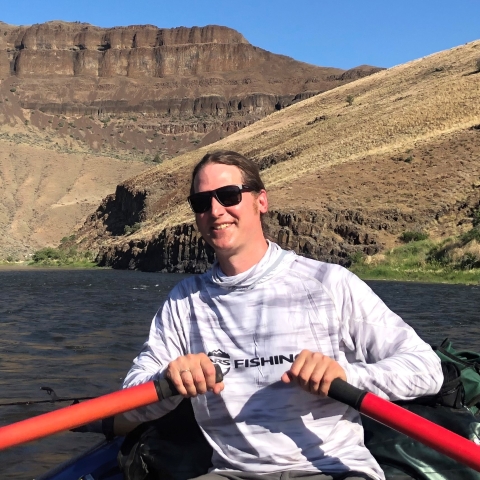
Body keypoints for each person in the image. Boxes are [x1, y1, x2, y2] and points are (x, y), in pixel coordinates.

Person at [122, 150, 443, 480]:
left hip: (330, 470)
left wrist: (346, 377)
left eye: (229, 196)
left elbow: (426, 368)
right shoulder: (182, 303)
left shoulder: (328, 283)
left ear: (261, 201)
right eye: (202, 202)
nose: (215, 211)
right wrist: (169, 379)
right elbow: (132, 399)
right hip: (234, 474)